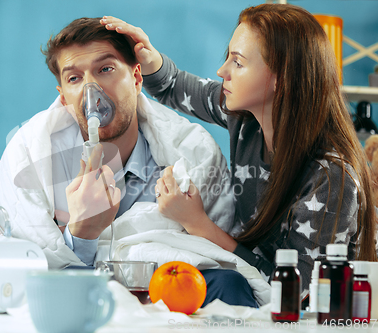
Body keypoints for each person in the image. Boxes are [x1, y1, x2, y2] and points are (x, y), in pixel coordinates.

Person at [101, 3, 378, 295]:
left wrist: (197, 223)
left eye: (238, 61)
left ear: (280, 79)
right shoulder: (246, 121)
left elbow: (299, 295)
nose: (222, 71)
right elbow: (174, 87)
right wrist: (148, 56)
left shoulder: (330, 178)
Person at [0, 17, 262, 307]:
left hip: (167, 292)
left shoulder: (191, 153)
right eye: (74, 78)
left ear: (137, 78)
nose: (92, 92)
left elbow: (219, 259)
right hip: (73, 296)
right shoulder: (32, 152)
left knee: (230, 284)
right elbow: (18, 260)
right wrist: (81, 233)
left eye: (105, 69)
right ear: (64, 99)